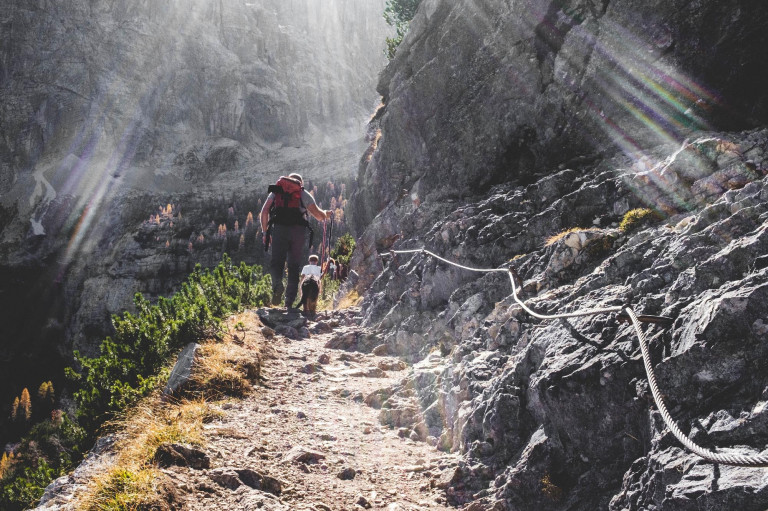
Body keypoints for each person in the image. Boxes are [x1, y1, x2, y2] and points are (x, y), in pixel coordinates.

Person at [260, 173, 332, 309]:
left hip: (279, 230)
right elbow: (318, 215)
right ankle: (288, 303)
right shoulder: (303, 193)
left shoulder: (277, 191)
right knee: (293, 267)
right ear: (300, 184)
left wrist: (265, 232)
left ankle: (277, 285)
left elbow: (264, 211)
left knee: (276, 263)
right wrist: (326, 214)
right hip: (297, 233)